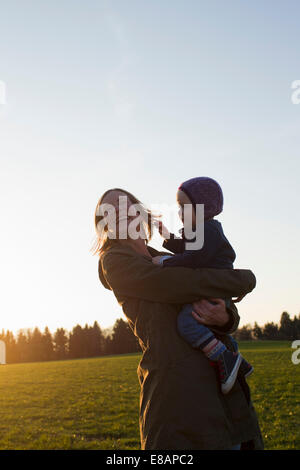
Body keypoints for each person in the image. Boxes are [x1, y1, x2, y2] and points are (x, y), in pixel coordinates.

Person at [94, 187, 264, 450]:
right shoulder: (115, 262)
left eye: (126, 206)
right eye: (110, 212)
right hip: (178, 394)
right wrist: (240, 280)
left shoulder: (171, 259)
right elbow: (177, 283)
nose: (121, 213)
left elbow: (217, 302)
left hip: (223, 390)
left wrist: (224, 317)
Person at [152, 177, 253, 395]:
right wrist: (167, 237)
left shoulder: (208, 231)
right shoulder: (203, 230)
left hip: (213, 291)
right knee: (197, 323)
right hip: (213, 289)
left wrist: (165, 262)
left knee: (187, 322)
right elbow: (188, 250)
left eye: (184, 207)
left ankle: (224, 357)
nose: (179, 212)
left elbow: (192, 259)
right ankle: (238, 361)